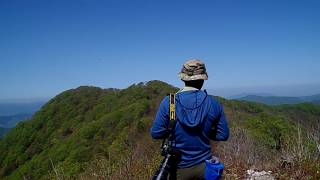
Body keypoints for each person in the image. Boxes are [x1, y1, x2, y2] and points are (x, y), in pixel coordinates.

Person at [150, 59, 229, 180]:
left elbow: (156, 133)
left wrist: (172, 130)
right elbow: (223, 135)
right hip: (205, 167)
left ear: (183, 78)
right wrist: (206, 131)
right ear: (203, 79)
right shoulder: (214, 104)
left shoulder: (170, 102)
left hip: (178, 168)